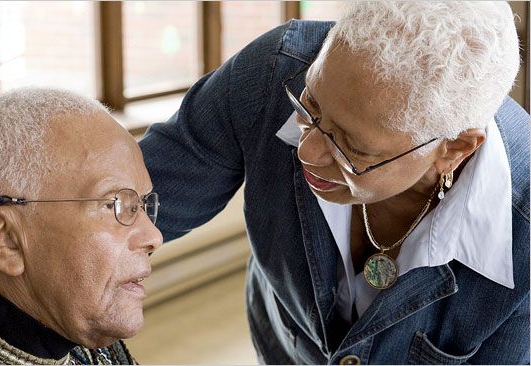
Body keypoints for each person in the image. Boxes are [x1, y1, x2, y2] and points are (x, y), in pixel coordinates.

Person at [139, 2, 529, 364]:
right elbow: (124, 207)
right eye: (309, 107)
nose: (307, 151)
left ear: (455, 148)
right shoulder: (272, 71)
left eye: (352, 148)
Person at [0, 88, 162, 364]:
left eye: (141, 205)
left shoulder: (70, 324)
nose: (154, 237)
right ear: (5, 240)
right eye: (114, 205)